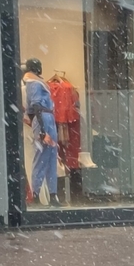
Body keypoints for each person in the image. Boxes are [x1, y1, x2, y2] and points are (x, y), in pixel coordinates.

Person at [22, 60, 58, 206]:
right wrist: (42, 131)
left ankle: (53, 195)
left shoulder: (35, 82)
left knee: (50, 157)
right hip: (43, 117)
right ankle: (36, 194)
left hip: (47, 117)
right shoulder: (33, 83)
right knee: (41, 157)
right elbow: (35, 106)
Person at [47, 69, 83, 203]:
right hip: (68, 127)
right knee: (69, 159)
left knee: (55, 159)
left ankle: (56, 194)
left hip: (53, 126)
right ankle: (72, 196)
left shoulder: (48, 87)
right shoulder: (68, 88)